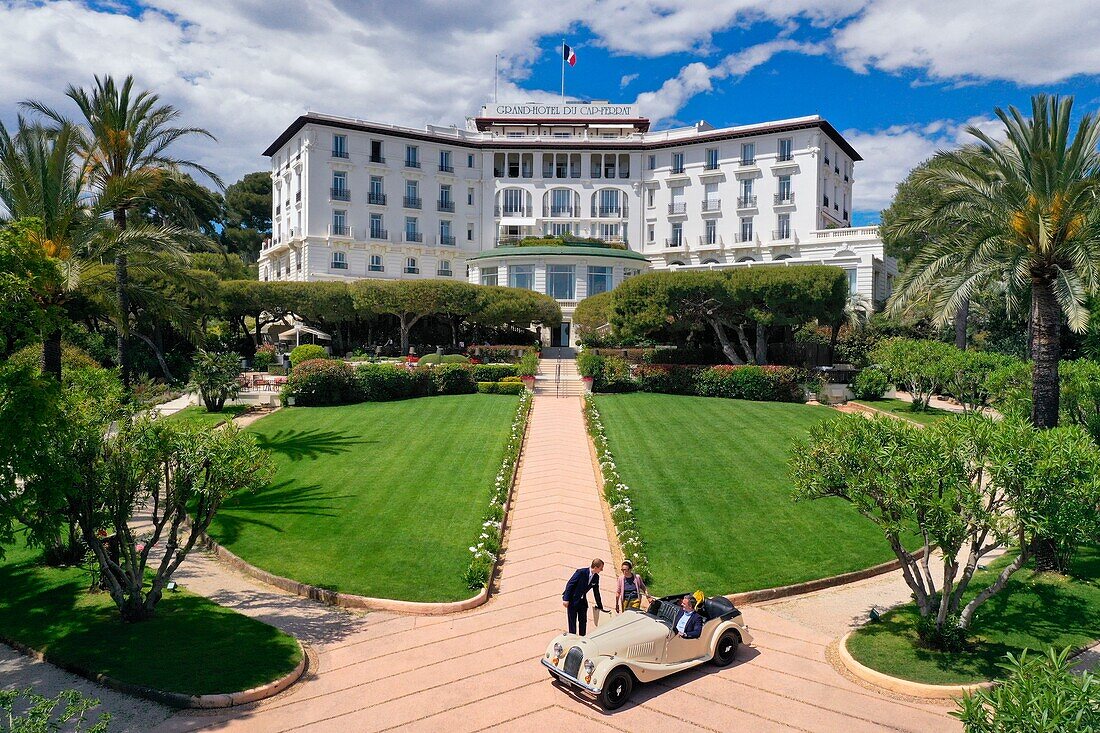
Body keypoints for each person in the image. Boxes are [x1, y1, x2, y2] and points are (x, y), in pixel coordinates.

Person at [562, 559, 604, 636]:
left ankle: (582, 638)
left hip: (582, 601)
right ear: (595, 567)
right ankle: (572, 638)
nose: (601, 570)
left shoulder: (596, 577)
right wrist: (566, 599)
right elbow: (570, 584)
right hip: (572, 600)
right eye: (601, 568)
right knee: (572, 622)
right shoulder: (581, 572)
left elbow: (596, 592)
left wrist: (600, 606)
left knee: (583, 621)